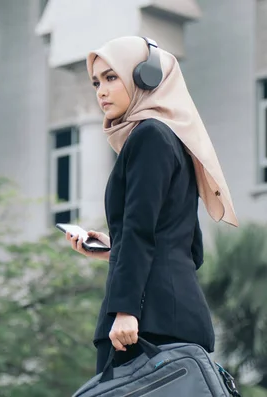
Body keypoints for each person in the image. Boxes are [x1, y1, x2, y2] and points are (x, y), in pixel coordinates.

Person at [65, 36, 239, 375]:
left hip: (144, 324)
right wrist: (114, 250)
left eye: (112, 77)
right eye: (96, 82)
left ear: (146, 78)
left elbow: (140, 228)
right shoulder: (172, 139)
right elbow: (189, 250)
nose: (101, 90)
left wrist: (126, 310)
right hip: (171, 319)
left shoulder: (149, 136)